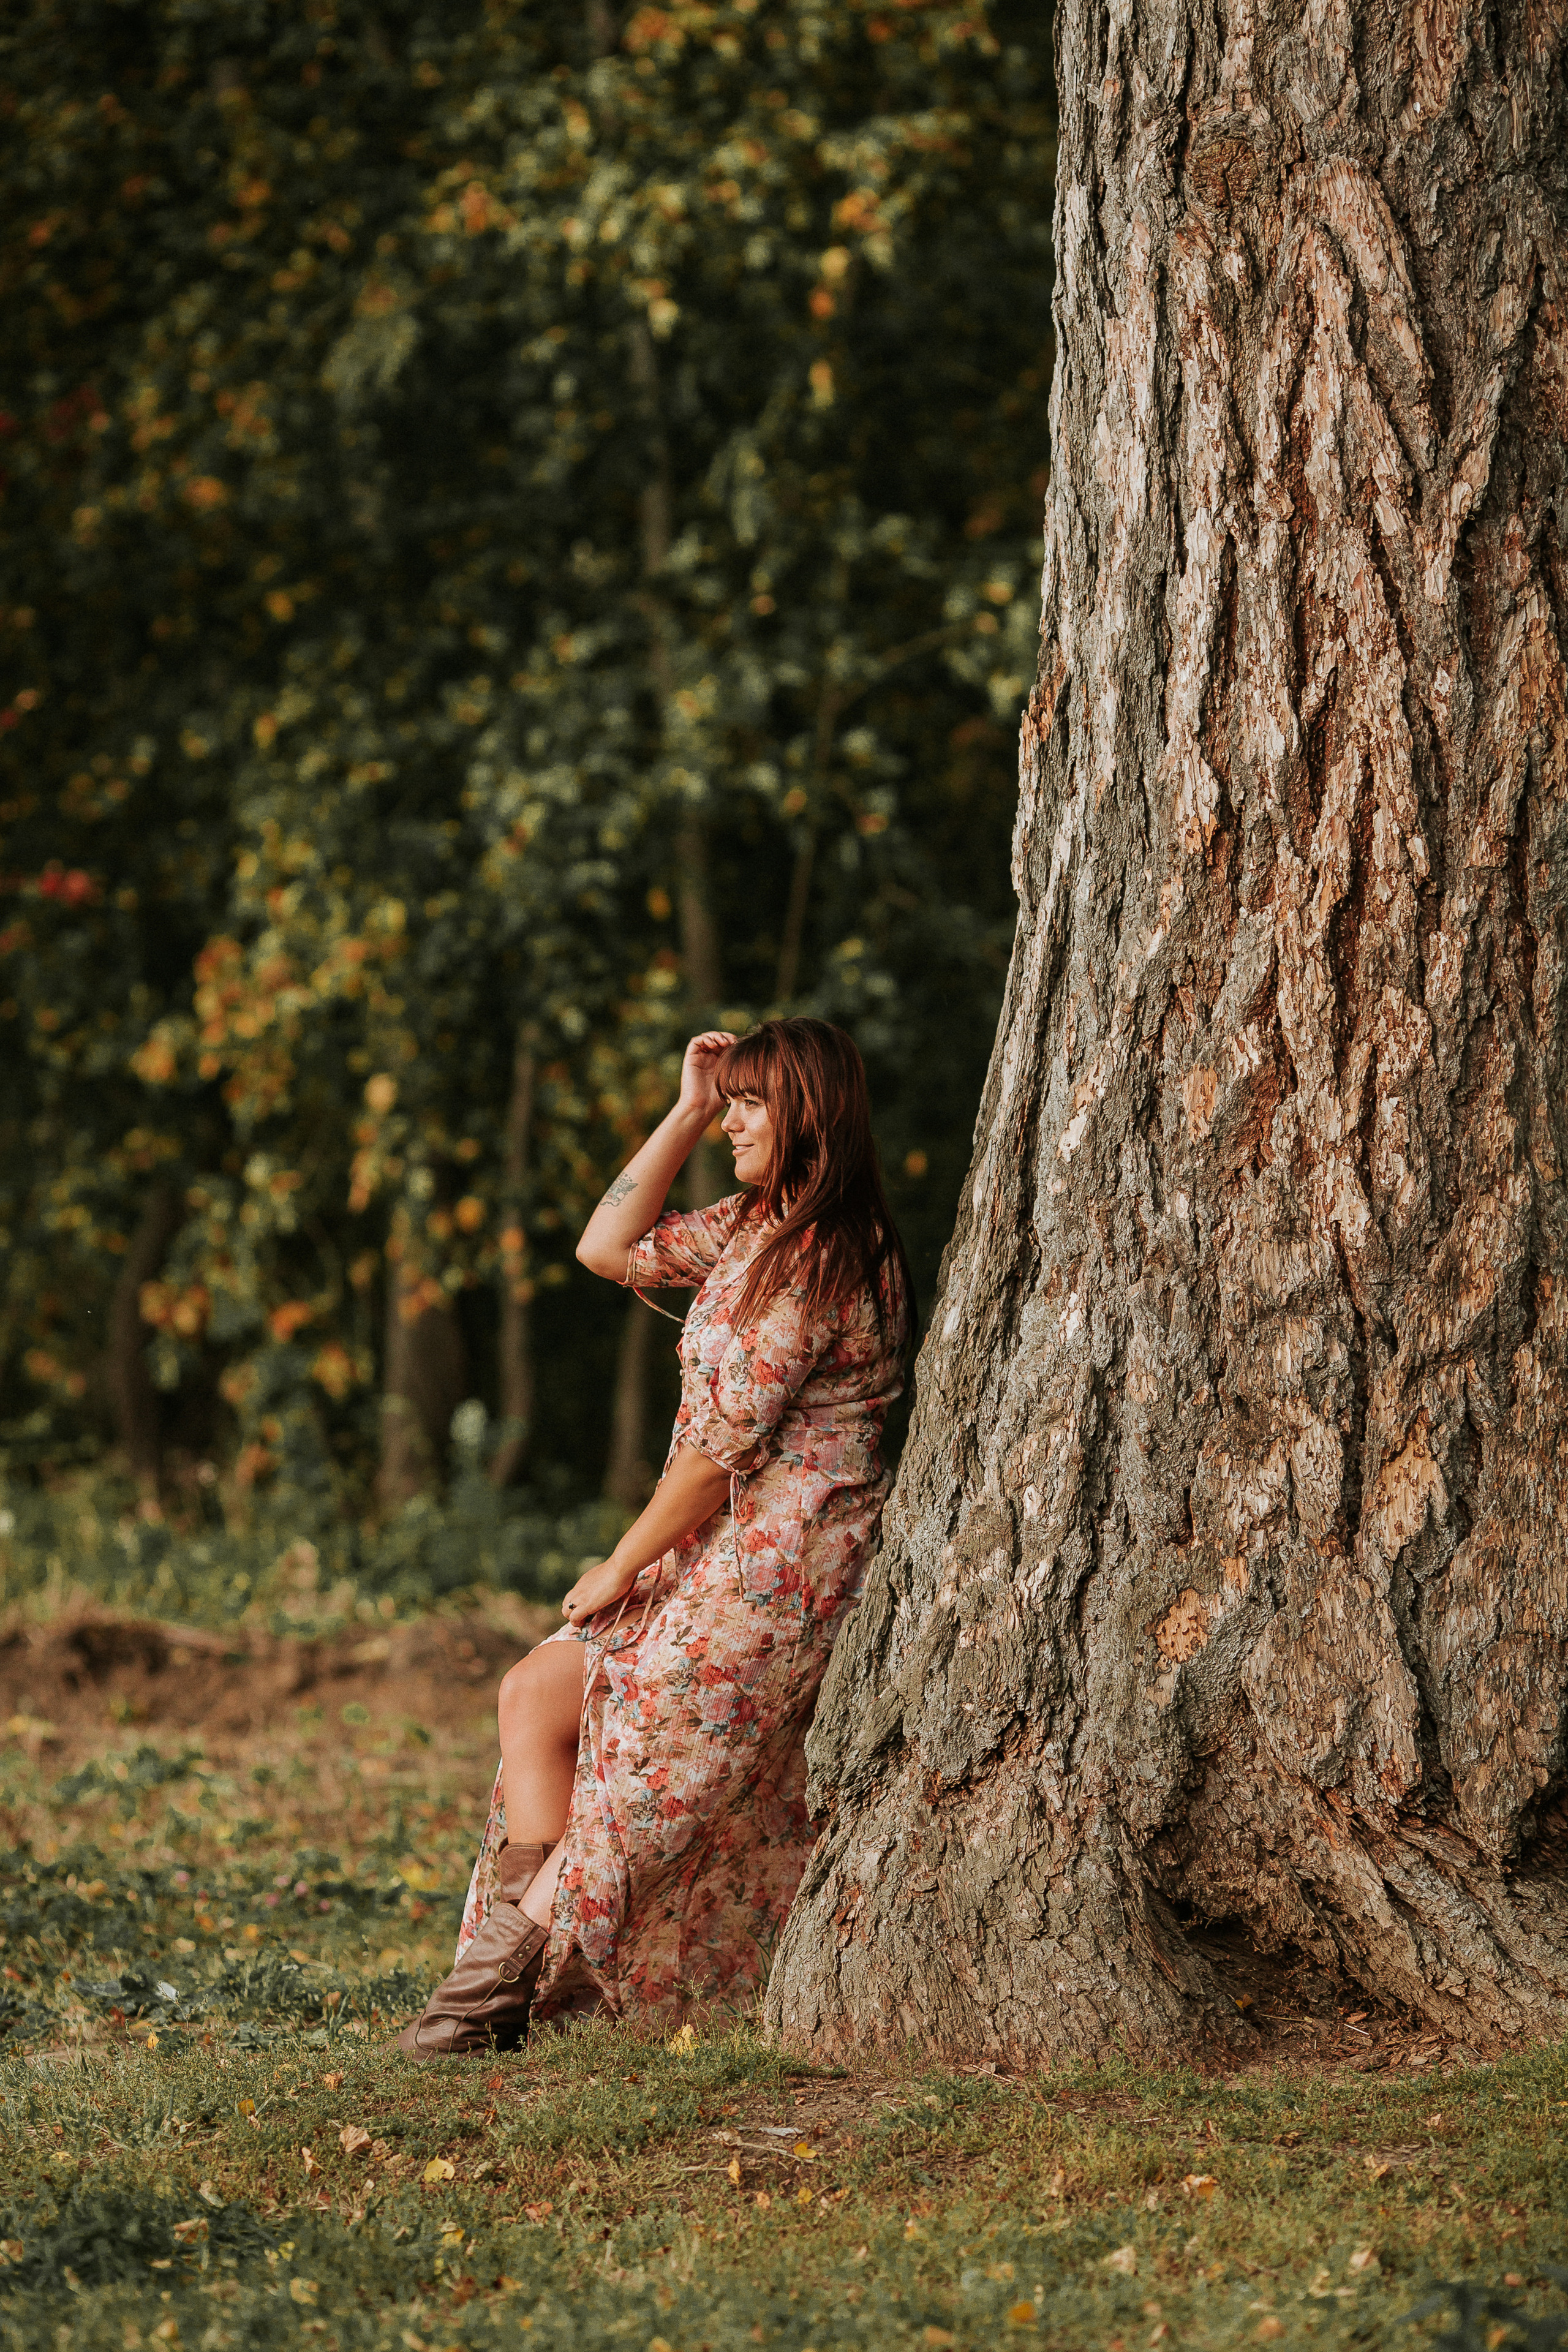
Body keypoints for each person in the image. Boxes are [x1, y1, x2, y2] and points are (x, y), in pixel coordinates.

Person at [397, 1016, 913, 2054]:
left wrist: (619, 1564)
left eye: (751, 1102)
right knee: (535, 1691)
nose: (733, 1120)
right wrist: (682, 1108)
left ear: (808, 1111)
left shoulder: (825, 1251)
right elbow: (604, 1249)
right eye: (731, 1103)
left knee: (635, 1776)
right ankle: (510, 1986)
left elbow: (721, 1452)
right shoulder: (753, 1227)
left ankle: (482, 2002)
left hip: (786, 1563)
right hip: (713, 1547)